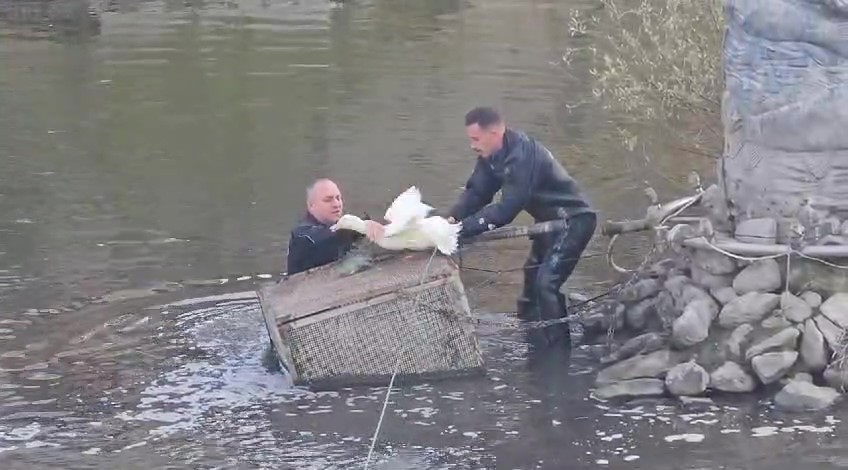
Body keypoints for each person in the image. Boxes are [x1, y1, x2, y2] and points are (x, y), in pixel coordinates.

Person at [447, 106, 597, 346]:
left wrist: (463, 231)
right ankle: (530, 335)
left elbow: (507, 210)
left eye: (475, 139)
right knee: (531, 283)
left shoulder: (522, 156)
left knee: (547, 284)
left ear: (494, 132)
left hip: (574, 221)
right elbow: (477, 193)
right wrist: (452, 220)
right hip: (547, 224)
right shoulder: (492, 157)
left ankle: (557, 353)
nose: (472, 145)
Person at [286, 178, 383, 275]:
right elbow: (321, 239)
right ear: (311, 205)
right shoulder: (301, 235)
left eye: (338, 198)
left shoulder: (339, 226)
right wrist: (359, 227)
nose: (336, 204)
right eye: (328, 200)